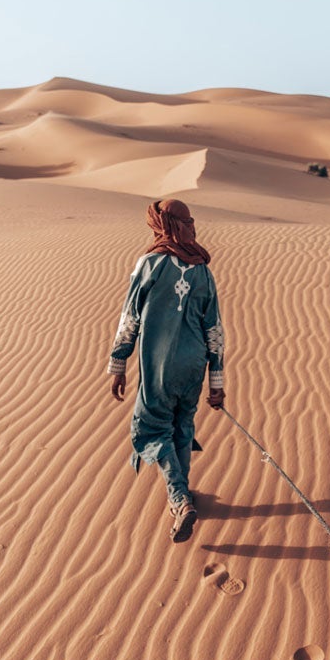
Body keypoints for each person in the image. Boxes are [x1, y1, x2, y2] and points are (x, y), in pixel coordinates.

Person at [108, 198, 226, 541]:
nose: (192, 226)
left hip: (158, 366)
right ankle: (183, 490)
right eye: (188, 221)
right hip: (193, 365)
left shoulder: (150, 264)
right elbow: (214, 329)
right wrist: (216, 379)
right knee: (182, 426)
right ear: (176, 225)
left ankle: (179, 499)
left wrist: (118, 363)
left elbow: (130, 317)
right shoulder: (202, 269)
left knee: (151, 429)